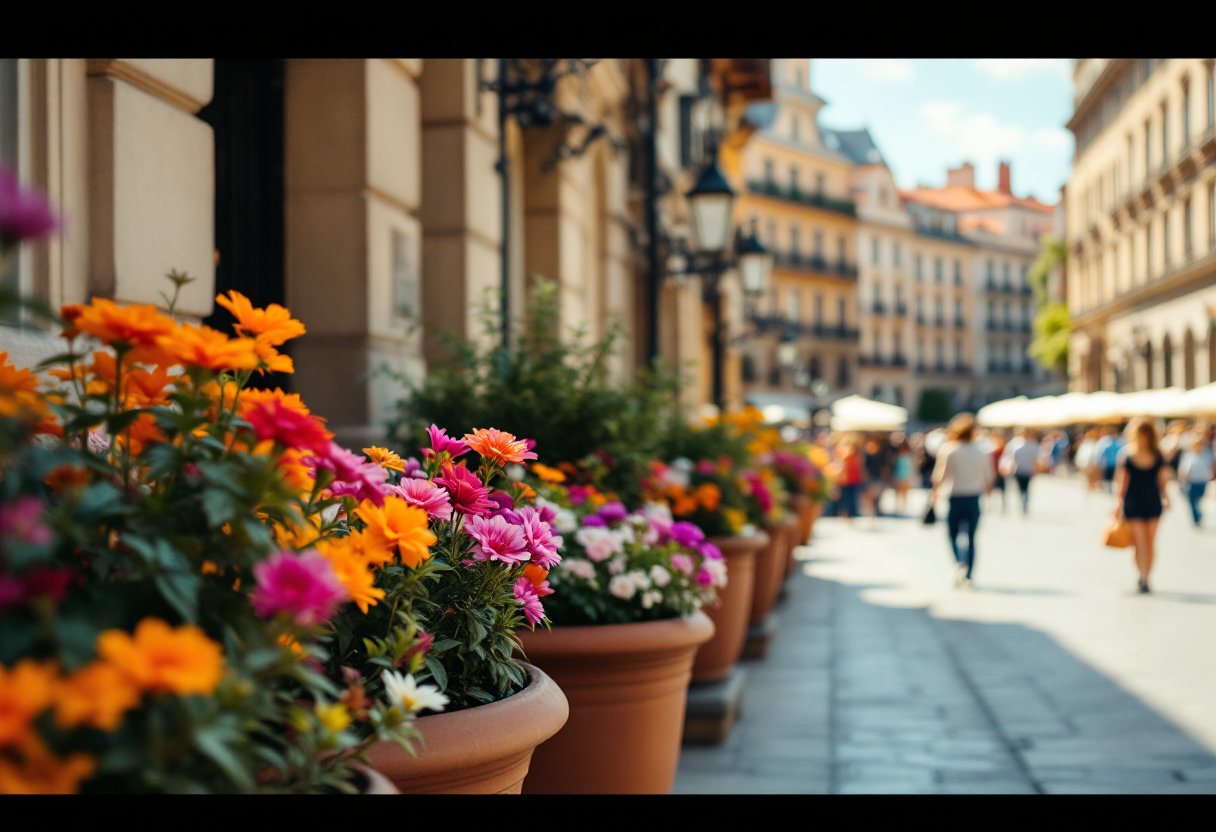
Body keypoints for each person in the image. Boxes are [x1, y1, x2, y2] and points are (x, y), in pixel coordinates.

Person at [930, 413, 994, 589]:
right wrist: (990, 498)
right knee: (972, 537)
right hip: (974, 497)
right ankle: (969, 574)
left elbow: (940, 475)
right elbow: (989, 477)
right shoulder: (981, 451)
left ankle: (959, 562)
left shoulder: (949, 449)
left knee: (953, 534)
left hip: (955, 496)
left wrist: (934, 494)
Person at [1114, 418, 1171, 594]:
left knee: (1148, 543)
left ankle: (1145, 577)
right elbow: (1122, 484)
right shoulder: (1130, 455)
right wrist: (1118, 503)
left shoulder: (1135, 454)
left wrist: (1167, 497)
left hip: (1146, 502)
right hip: (1138, 502)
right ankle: (1143, 575)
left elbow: (1162, 481)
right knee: (1141, 543)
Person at [1178, 431, 1215, 527]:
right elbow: (1183, 467)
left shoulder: (1207, 454)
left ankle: (1198, 513)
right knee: (1192, 500)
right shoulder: (1188, 455)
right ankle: (1196, 517)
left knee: (1198, 500)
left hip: (1202, 480)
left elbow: (1212, 465)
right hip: (1191, 480)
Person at [1001, 428, 1040, 515]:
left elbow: (1010, 458)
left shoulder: (1015, 444)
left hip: (1020, 470)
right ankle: (1024, 502)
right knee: (1025, 488)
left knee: (1021, 488)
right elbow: (1036, 459)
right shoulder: (1032, 444)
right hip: (1025, 469)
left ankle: (1023, 502)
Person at [836, 435, 864, 522]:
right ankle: (846, 514)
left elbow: (860, 467)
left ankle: (852, 514)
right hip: (845, 480)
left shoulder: (857, 455)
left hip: (854, 480)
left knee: (852, 498)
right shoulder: (844, 453)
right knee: (846, 498)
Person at [861, 436, 886, 522]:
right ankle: (871, 514)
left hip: (876, 479)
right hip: (870, 479)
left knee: (876, 497)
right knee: (869, 497)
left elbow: (883, 468)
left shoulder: (880, 455)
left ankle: (875, 513)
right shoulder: (867, 456)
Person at [1093, 426, 1124, 493]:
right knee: (1109, 477)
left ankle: (1109, 488)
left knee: (1110, 476)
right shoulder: (1111, 441)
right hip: (1110, 463)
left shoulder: (1113, 441)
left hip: (1111, 463)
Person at [892, 438, 915, 516]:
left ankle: (903, 508)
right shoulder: (899, 456)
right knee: (898, 493)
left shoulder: (908, 457)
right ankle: (898, 507)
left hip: (905, 477)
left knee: (904, 493)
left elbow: (911, 468)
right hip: (899, 477)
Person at [1075, 427, 1102, 492]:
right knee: (1089, 478)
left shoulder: (1094, 444)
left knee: (1092, 478)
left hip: (1091, 464)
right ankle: (1090, 489)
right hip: (1086, 463)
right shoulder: (1087, 444)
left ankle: (1091, 489)